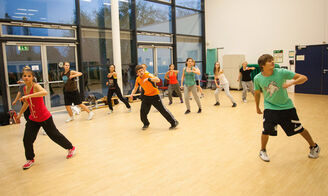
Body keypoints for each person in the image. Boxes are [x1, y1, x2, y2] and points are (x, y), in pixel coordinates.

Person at [254, 54, 320, 162]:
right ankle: (263, 150)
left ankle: (314, 146)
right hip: (270, 107)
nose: (272, 62)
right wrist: (257, 107)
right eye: (269, 61)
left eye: (272, 60)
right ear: (262, 65)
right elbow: (257, 93)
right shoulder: (257, 78)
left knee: (299, 129)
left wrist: (291, 83)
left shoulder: (281, 72)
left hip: (286, 107)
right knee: (266, 130)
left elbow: (303, 78)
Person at [16, 67, 75, 170]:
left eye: (29, 76)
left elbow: (45, 92)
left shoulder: (36, 86)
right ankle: (30, 159)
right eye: (24, 76)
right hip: (33, 118)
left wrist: (29, 96)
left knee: (54, 135)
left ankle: (70, 147)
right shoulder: (25, 88)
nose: (26, 77)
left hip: (44, 117)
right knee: (27, 139)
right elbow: (27, 102)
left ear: (33, 78)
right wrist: (20, 114)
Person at [130, 65, 178, 130]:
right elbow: (135, 88)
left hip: (155, 95)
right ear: (137, 73)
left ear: (143, 70)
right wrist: (132, 94)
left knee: (162, 110)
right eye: (139, 71)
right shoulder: (138, 79)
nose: (141, 72)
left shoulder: (148, 75)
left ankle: (174, 122)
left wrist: (149, 79)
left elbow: (157, 80)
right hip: (146, 96)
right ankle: (146, 123)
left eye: (142, 70)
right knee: (142, 112)